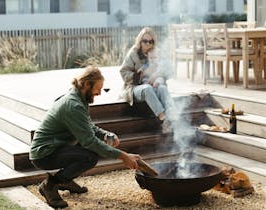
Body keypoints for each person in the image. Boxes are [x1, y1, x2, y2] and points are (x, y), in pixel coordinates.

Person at [29, 66, 141, 208]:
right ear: (87, 84)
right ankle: (50, 185)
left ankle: (65, 180)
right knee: (90, 156)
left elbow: (87, 127)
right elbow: (89, 141)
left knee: (88, 150)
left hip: (56, 146)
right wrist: (123, 156)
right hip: (44, 154)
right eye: (98, 89)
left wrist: (106, 134)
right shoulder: (73, 105)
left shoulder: (78, 98)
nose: (99, 93)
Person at [120, 27, 173, 134]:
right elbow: (123, 72)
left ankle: (173, 118)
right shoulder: (133, 53)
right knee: (147, 89)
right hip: (135, 87)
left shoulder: (157, 53)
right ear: (140, 40)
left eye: (151, 41)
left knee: (162, 88)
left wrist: (156, 75)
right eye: (145, 41)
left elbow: (169, 70)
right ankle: (163, 118)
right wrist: (140, 74)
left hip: (154, 84)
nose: (148, 44)